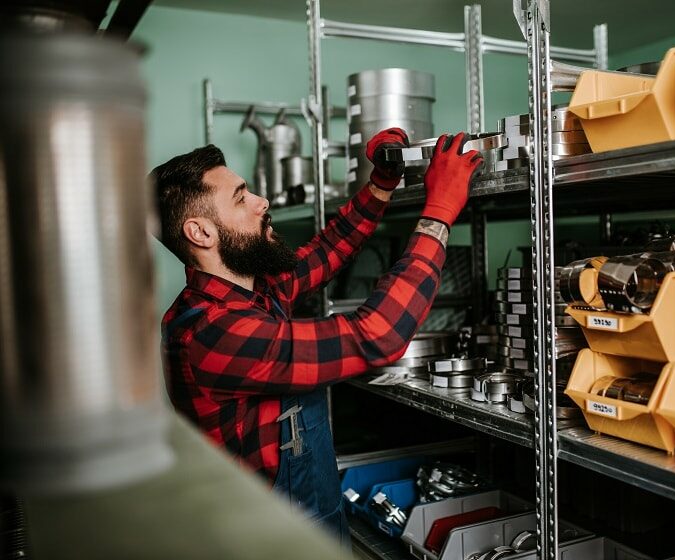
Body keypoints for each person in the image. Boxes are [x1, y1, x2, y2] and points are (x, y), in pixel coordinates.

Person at [151, 128, 482, 545]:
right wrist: (438, 215)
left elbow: (328, 249)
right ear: (201, 233)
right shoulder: (210, 332)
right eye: (241, 198)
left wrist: (381, 182)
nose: (261, 202)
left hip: (308, 513)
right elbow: (376, 335)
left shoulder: (253, 289)